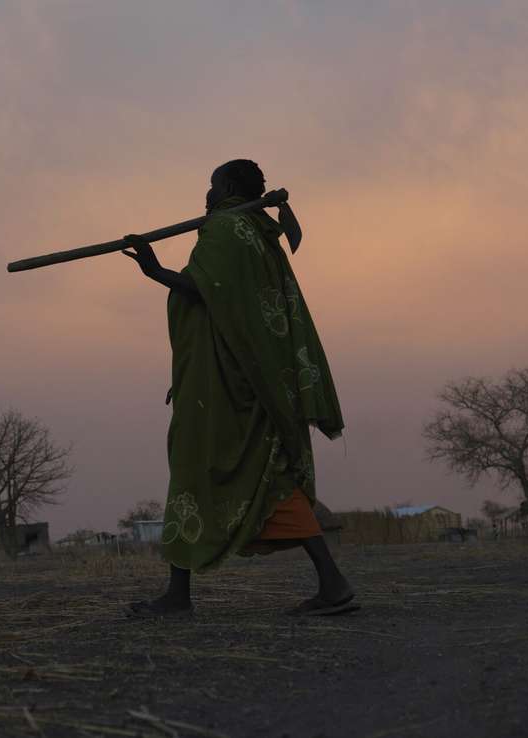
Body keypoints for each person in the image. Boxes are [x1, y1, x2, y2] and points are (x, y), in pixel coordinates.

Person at [122, 159, 354, 617]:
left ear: (227, 186)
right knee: (270, 479)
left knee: (192, 469)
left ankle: (177, 595)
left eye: (211, 185)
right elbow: (233, 308)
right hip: (251, 377)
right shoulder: (258, 235)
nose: (206, 195)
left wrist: (154, 269)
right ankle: (333, 583)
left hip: (229, 384)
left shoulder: (227, 230)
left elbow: (201, 289)